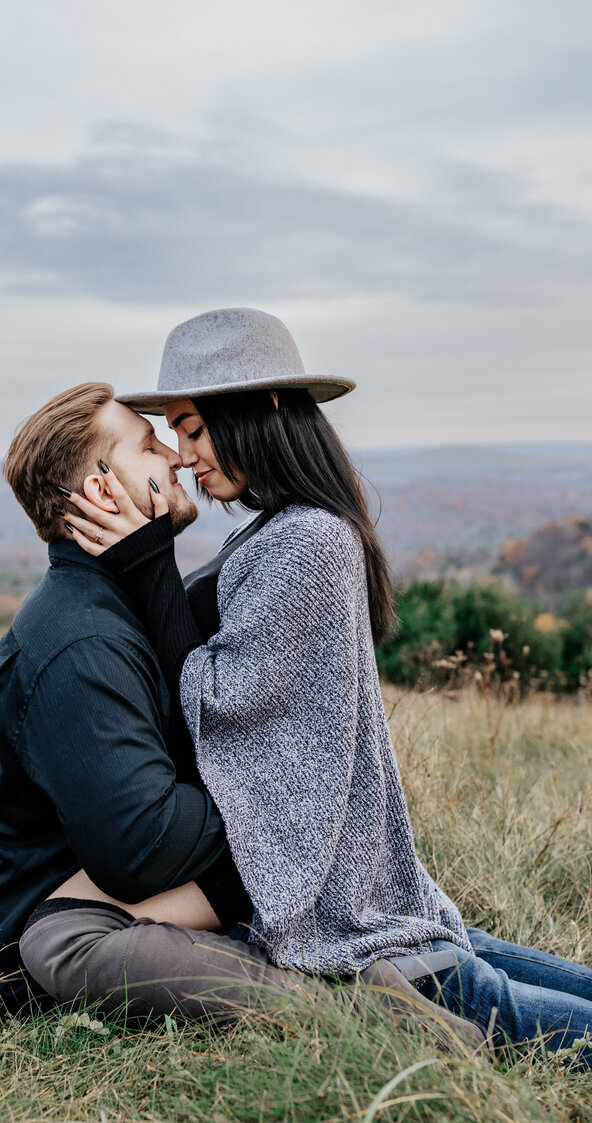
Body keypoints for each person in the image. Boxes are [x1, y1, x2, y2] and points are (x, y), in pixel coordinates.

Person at [31, 307, 592, 1066]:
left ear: (260, 410)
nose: (184, 454)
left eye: (193, 428)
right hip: (370, 898)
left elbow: (222, 706)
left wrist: (146, 566)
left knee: (535, 1024)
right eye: (172, 433)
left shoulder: (307, 541)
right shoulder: (280, 530)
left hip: (352, 931)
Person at [0, 379, 481, 1046]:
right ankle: (358, 1013)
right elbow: (146, 848)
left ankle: (366, 974)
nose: (177, 458)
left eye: (185, 436)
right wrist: (279, 829)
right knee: (69, 939)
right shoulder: (83, 644)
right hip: (45, 927)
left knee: (452, 964)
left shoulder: (128, 602)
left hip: (129, 897)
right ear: (101, 492)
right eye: (151, 445)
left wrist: (290, 822)